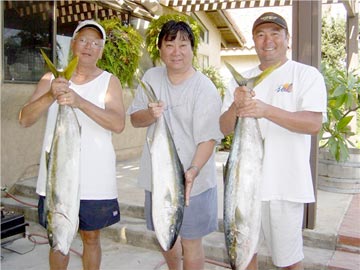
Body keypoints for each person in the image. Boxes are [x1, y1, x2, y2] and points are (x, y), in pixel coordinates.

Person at [220, 12, 327, 270]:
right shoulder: (238, 81)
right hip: (243, 187)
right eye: (260, 34)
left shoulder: (306, 75)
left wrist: (266, 110)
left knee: (289, 262)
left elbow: (313, 124)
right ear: (254, 41)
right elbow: (224, 128)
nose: (268, 40)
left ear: (287, 39)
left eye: (275, 33)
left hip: (285, 186)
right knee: (244, 257)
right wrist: (237, 104)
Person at [19, 20, 125, 270]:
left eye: (96, 43)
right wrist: (50, 95)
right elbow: (24, 119)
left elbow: (118, 123)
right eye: (84, 40)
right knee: (57, 237)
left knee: (91, 237)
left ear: (101, 50)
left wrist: (79, 102)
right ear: (73, 44)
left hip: (95, 179)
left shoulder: (110, 82)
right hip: (56, 177)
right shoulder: (51, 79)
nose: (89, 46)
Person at [128, 20, 223, 269]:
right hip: (158, 178)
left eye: (183, 44)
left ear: (193, 49)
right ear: (160, 49)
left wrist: (192, 171)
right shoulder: (151, 77)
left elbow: (208, 139)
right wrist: (151, 114)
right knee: (166, 237)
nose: (176, 51)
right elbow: (136, 119)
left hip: (195, 180)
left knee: (191, 242)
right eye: (169, 44)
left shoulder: (204, 88)